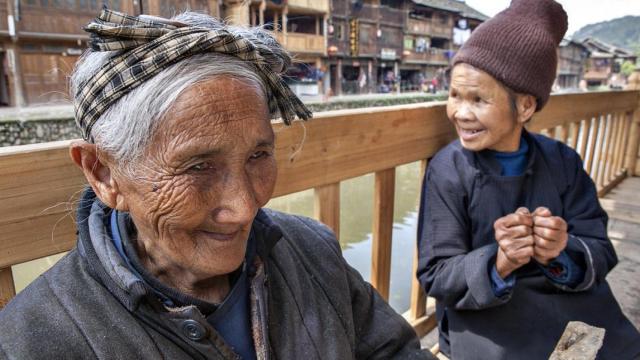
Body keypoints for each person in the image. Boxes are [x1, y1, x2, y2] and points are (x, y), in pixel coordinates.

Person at [0, 10, 433, 359]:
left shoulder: (310, 249)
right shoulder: (34, 340)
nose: (246, 207)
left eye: (258, 156)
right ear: (103, 173)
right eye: (199, 167)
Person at [415, 1, 640, 359]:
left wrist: (561, 250)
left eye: (478, 99)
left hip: (565, 302)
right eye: (454, 95)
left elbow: (600, 248)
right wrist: (500, 261)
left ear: (525, 107)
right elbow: (436, 275)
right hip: (486, 314)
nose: (460, 112)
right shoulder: (448, 169)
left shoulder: (562, 161)